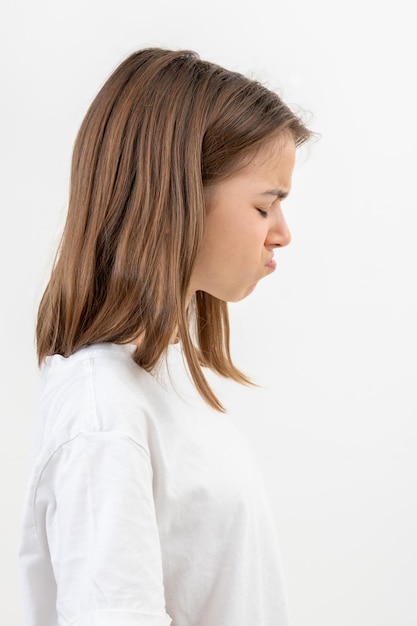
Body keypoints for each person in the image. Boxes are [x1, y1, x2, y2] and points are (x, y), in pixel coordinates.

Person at [18, 48, 312, 626]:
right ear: (177, 196)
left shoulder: (160, 385)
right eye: (264, 205)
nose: (283, 234)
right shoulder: (104, 409)